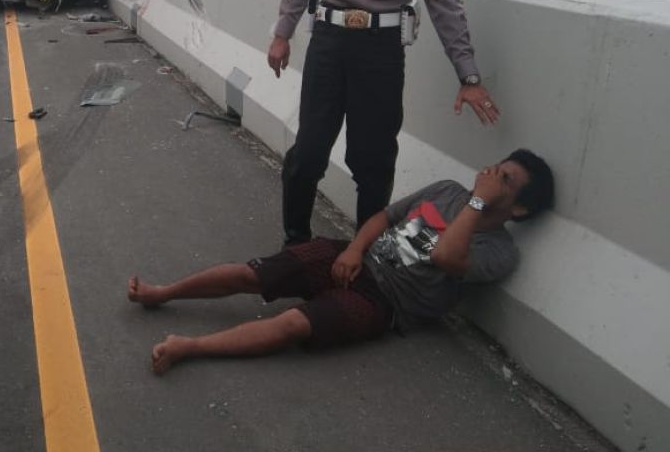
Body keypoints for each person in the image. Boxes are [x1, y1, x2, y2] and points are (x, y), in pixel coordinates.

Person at [127, 150, 554, 374]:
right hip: (355, 260)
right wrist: (352, 249)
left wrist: (479, 200)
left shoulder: (500, 252)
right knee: (252, 275)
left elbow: (446, 255)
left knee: (294, 324)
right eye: (496, 169)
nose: (491, 177)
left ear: (518, 209)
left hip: (385, 304)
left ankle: (190, 347)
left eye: (505, 181)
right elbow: (385, 218)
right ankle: (163, 292)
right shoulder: (446, 189)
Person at [267, 0, 499, 245]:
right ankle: (296, 242)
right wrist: (282, 32)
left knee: (372, 162)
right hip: (329, 45)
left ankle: (364, 254)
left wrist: (469, 76)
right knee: (307, 154)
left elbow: (447, 9)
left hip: (380, 55)